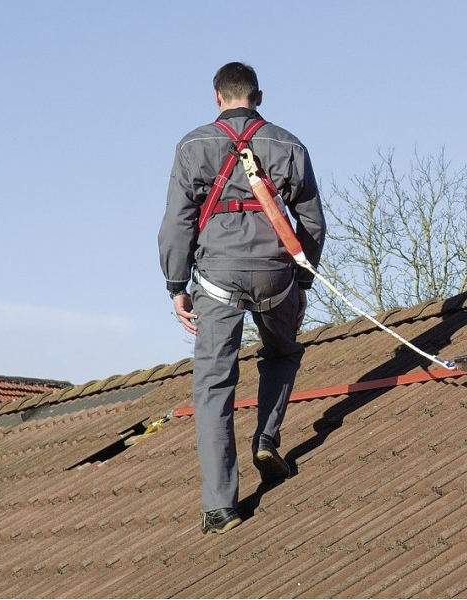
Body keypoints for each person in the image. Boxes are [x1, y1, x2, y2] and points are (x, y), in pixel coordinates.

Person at [158, 62, 326, 535]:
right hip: (277, 275)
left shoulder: (192, 145)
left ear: (217, 97)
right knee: (283, 351)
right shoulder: (289, 144)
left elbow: (176, 224)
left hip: (216, 280)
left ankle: (220, 506)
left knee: (213, 383)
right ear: (259, 96)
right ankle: (267, 437)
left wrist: (176, 287)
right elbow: (312, 223)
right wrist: (303, 281)